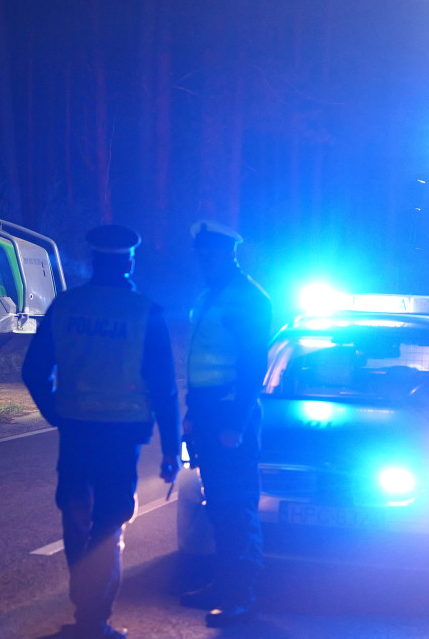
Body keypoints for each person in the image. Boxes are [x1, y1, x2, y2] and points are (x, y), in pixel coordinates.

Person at [22, 224, 181, 639]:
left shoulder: (67, 305)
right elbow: (164, 387)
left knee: (76, 518)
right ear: (130, 261)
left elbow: (33, 370)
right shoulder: (146, 310)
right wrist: (171, 448)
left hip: (75, 432)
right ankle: (95, 619)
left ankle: (83, 609)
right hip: (121, 437)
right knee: (109, 523)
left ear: (93, 260)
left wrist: (57, 413)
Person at [179, 220, 272, 628]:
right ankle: (223, 585)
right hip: (207, 410)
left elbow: (253, 365)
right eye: (199, 252)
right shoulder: (210, 293)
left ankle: (241, 598)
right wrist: (191, 412)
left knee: (236, 506)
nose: (201, 259)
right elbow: (202, 359)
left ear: (226, 254)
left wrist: (233, 422)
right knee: (218, 505)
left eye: (208, 253)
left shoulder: (247, 297)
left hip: (230, 412)